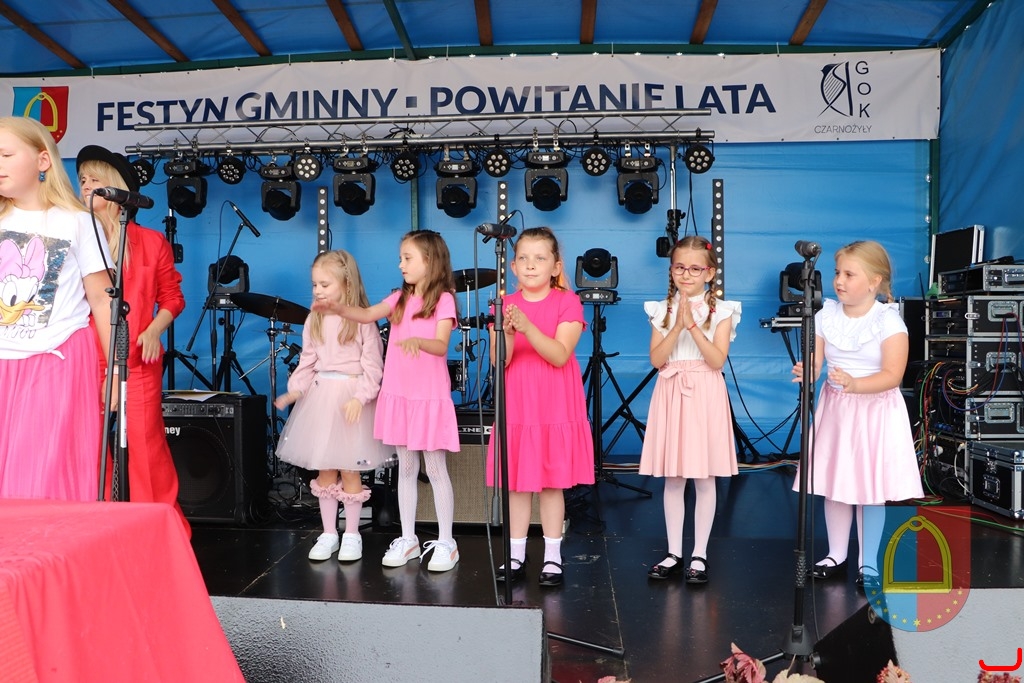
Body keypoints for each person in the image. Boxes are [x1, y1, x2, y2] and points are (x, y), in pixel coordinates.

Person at [313, 230, 461, 572]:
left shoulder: (444, 301)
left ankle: (446, 542)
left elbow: (441, 345)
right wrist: (338, 307)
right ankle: (408, 539)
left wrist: (418, 342)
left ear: (430, 261)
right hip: (400, 395)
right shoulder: (398, 298)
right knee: (405, 469)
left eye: (408, 258)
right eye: (401, 258)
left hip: (428, 397)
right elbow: (368, 314)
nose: (401, 264)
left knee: (435, 469)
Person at [792, 240, 923, 585]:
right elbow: (816, 363)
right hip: (837, 409)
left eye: (849, 274)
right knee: (836, 483)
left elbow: (892, 375)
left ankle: (869, 563)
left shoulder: (888, 321)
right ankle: (836, 553)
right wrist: (807, 371)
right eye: (838, 272)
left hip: (873, 411)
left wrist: (855, 384)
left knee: (869, 489)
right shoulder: (825, 316)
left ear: (874, 281)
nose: (839, 280)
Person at [76, 144, 191, 534]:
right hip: (83, 360)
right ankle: (95, 532)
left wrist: (154, 329)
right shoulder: (75, 238)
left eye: (94, 179)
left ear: (114, 188)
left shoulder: (150, 241)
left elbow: (173, 297)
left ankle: (157, 533)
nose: (85, 186)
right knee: (89, 451)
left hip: (137, 361)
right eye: (82, 179)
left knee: (144, 450)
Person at [0, 116, 113, 500]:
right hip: (3, 359)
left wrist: (115, 369)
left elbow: (102, 299)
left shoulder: (78, 222)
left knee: (38, 478)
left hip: (56, 357)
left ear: (43, 160)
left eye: (6, 155)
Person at [486, 226, 595, 587]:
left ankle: (552, 555)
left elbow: (560, 355)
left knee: (551, 483)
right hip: (518, 402)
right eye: (523, 258)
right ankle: (516, 554)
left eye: (540, 258)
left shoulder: (567, 302)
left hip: (553, 403)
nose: (531, 265)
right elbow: (499, 362)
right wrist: (507, 332)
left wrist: (528, 328)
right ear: (513, 266)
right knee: (517, 484)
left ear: (555, 266)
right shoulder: (503, 304)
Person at [275, 250, 391, 562]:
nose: (318, 290)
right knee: (325, 470)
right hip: (322, 399)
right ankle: (329, 533)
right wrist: (294, 391)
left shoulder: (363, 320)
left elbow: (373, 367)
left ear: (347, 285)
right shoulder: (314, 319)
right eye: (315, 285)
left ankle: (351, 535)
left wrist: (360, 397)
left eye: (325, 285)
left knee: (350, 471)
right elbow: (307, 362)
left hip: (352, 400)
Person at [640, 235, 742, 584]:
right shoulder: (661, 309)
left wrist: (693, 326)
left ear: (709, 273)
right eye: (680, 267)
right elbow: (657, 359)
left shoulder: (723, 311)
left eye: (695, 269)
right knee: (674, 477)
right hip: (671, 390)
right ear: (671, 270)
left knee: (704, 476)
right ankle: (673, 552)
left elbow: (716, 360)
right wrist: (677, 325)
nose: (686, 274)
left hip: (704, 392)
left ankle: (699, 553)